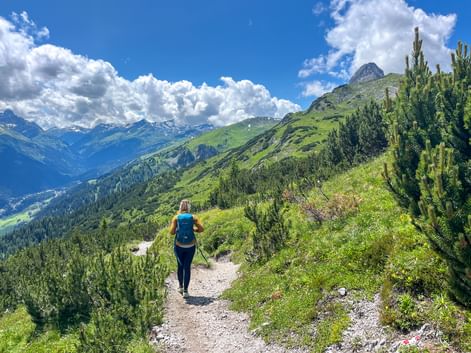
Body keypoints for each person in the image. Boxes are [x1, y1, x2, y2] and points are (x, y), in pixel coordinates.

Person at [169, 199, 204, 298]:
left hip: (179, 245)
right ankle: (185, 291)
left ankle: (180, 286)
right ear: (189, 207)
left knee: (180, 266)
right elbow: (201, 229)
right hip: (190, 245)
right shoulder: (193, 217)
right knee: (187, 267)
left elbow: (171, 232)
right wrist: (194, 229)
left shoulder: (176, 217)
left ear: (180, 207)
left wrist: (178, 229)